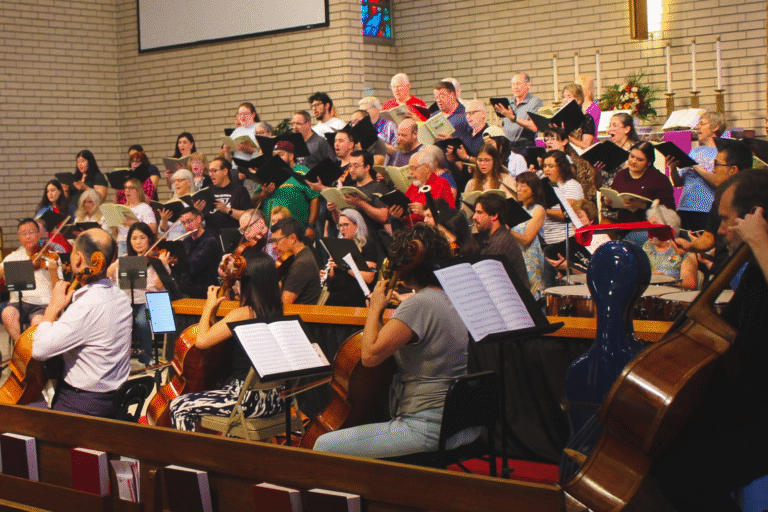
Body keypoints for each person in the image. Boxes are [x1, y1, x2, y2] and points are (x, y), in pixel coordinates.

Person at [652, 169, 768, 511]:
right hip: (749, 408)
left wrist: (760, 241)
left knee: (684, 475)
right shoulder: (751, 267)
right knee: (675, 461)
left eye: (726, 220)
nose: (719, 230)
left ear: (755, 217)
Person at [314, 223, 472, 458]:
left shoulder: (419, 304)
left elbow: (369, 356)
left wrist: (375, 309)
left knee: (322, 446)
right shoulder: (451, 298)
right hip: (459, 423)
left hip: (426, 426)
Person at [168, 251, 285, 431]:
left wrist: (208, 306)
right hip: (274, 400)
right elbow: (215, 333)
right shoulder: (276, 312)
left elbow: (201, 341)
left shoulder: (243, 313)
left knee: (179, 406)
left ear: (246, 282)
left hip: (245, 400)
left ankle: (191, 459)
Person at [31, 228, 132, 418]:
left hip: (83, 405)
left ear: (78, 258)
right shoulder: (121, 297)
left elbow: (39, 350)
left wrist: (52, 308)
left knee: (14, 417)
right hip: (113, 400)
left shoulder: (87, 304)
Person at [107, 222, 170, 365]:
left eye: (142, 238)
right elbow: (107, 274)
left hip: (151, 301)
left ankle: (146, 356)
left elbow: (159, 285)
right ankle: (118, 357)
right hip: (128, 301)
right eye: (134, 238)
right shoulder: (125, 257)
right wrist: (119, 262)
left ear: (149, 239)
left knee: (141, 321)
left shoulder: (157, 258)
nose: (138, 242)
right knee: (112, 319)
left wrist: (163, 265)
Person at [0, 219, 62, 343]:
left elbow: (58, 288)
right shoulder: (13, 257)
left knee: (38, 322)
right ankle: (22, 350)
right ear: (19, 237)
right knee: (7, 313)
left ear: (39, 234)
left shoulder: (51, 256)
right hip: (19, 302)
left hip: (43, 303)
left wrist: (53, 270)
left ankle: (34, 356)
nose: (28, 236)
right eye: (23, 233)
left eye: (31, 232)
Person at [666, 111, 725, 231]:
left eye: (702, 124)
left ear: (716, 127)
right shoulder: (695, 152)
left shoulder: (722, 152)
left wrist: (696, 166)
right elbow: (678, 183)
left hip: (707, 209)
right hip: (685, 206)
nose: (697, 127)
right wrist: (672, 168)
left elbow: (718, 182)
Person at [609, 141, 675, 228]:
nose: (633, 161)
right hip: (623, 227)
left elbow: (669, 210)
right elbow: (613, 209)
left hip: (649, 229)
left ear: (649, 162)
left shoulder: (659, 179)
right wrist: (610, 202)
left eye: (640, 160)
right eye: (632, 156)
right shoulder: (621, 175)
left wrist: (644, 205)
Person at [472, 193, 529, 288]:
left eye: (479, 212)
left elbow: (487, 278)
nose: (474, 217)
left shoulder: (501, 243)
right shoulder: (495, 237)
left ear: (494, 216)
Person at [323, 209, 377, 307]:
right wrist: (328, 275)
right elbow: (333, 277)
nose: (342, 229)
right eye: (340, 225)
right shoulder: (338, 246)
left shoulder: (367, 246)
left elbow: (369, 277)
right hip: (337, 294)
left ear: (356, 226)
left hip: (356, 296)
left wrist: (345, 266)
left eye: (346, 225)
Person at [390, 151, 455, 227]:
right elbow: (408, 217)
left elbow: (450, 215)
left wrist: (424, 212)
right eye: (409, 168)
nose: (410, 172)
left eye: (414, 168)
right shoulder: (413, 186)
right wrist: (400, 216)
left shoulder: (441, 184)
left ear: (427, 167)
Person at [643, 201, 698, 289]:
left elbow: (690, 284)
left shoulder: (683, 248)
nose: (649, 229)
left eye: (654, 226)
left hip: (674, 296)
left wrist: (666, 280)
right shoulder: (647, 247)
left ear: (669, 229)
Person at [510, 172, 546, 298]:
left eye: (523, 186)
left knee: (531, 296)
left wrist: (507, 229)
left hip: (530, 259)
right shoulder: (517, 209)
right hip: (517, 256)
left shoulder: (538, 210)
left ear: (533, 189)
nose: (518, 190)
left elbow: (526, 239)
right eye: (517, 185)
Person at [195, 157, 251, 237]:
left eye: (214, 171)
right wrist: (198, 211)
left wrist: (227, 210)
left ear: (225, 171)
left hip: (232, 236)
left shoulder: (239, 190)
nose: (211, 175)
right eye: (210, 171)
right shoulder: (207, 191)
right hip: (211, 238)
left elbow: (248, 216)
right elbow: (203, 219)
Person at [175, 207, 223, 299]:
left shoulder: (210, 241)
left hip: (205, 290)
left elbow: (193, 268)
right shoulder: (186, 241)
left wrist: (177, 262)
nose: (186, 226)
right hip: (187, 289)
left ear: (199, 219)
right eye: (184, 223)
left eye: (189, 221)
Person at [271, 217, 321, 305]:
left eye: (276, 241)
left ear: (293, 238)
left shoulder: (302, 264)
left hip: (298, 316)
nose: (274, 246)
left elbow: (284, 303)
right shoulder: (300, 256)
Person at [493, 73, 543, 156]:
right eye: (513, 84)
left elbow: (534, 127)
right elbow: (505, 127)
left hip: (526, 148)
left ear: (528, 85)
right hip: (508, 148)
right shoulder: (509, 104)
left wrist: (513, 118)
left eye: (518, 84)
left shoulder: (535, 102)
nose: (515, 87)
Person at [115, 178, 157, 256]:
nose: (127, 190)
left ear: (138, 190)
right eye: (126, 188)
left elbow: (153, 229)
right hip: (122, 244)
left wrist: (135, 224)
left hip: (137, 245)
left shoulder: (144, 208)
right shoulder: (121, 208)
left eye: (131, 188)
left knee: (135, 267)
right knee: (123, 268)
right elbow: (116, 232)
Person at [157, 169, 194, 241]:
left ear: (189, 183)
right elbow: (162, 231)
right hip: (171, 242)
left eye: (180, 181)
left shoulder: (194, 202)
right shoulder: (170, 203)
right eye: (175, 181)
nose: (176, 184)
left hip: (188, 242)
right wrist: (164, 220)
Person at [560, 83, 596, 149]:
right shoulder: (564, 119)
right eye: (564, 97)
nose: (565, 100)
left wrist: (567, 137)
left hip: (580, 157)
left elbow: (586, 145)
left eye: (569, 96)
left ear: (578, 100)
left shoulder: (586, 119)